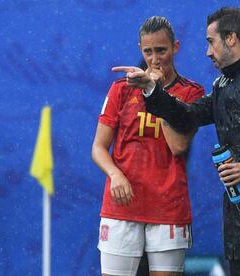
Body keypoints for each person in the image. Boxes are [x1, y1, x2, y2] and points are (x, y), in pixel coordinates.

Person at [113, 7, 240, 275]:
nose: (208, 52)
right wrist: (151, 89)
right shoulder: (222, 85)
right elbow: (186, 117)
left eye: (211, 42)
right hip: (239, 231)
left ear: (231, 38)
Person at [91, 16, 204, 276]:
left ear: (175, 47)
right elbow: (98, 147)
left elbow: (178, 146)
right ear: (141, 49)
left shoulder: (191, 93)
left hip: (168, 207)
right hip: (121, 205)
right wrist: (115, 174)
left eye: (161, 50)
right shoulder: (121, 89)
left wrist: (157, 93)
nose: (155, 59)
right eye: (148, 51)